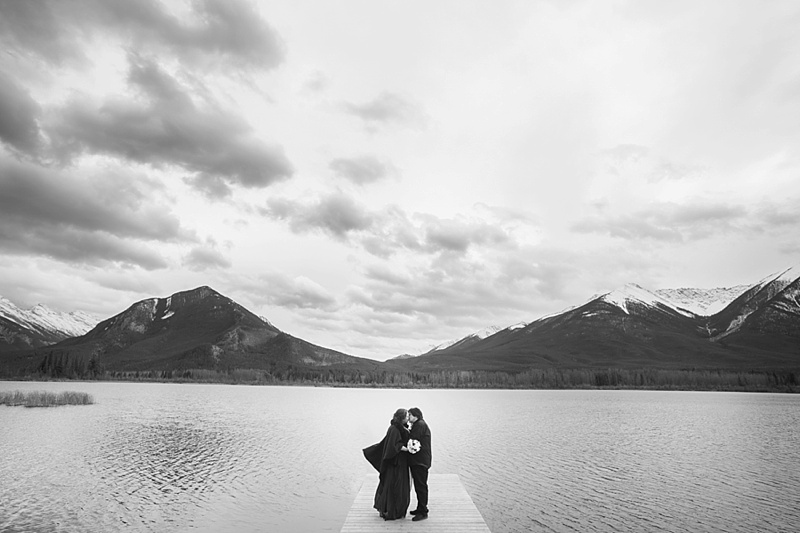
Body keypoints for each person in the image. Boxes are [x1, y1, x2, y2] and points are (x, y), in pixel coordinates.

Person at [362, 408, 412, 520]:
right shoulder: (394, 429)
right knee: (395, 486)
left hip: (400, 462)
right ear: (401, 418)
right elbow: (394, 446)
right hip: (396, 463)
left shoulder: (399, 427)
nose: (408, 418)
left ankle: (394, 509)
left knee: (397, 486)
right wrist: (408, 449)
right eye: (406, 416)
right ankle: (391, 510)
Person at [407, 407, 432, 522]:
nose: (408, 417)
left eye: (410, 415)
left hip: (420, 461)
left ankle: (423, 511)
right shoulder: (419, 424)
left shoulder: (420, 425)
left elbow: (412, 440)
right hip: (420, 460)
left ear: (416, 416)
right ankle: (420, 508)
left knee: (421, 486)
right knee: (419, 486)